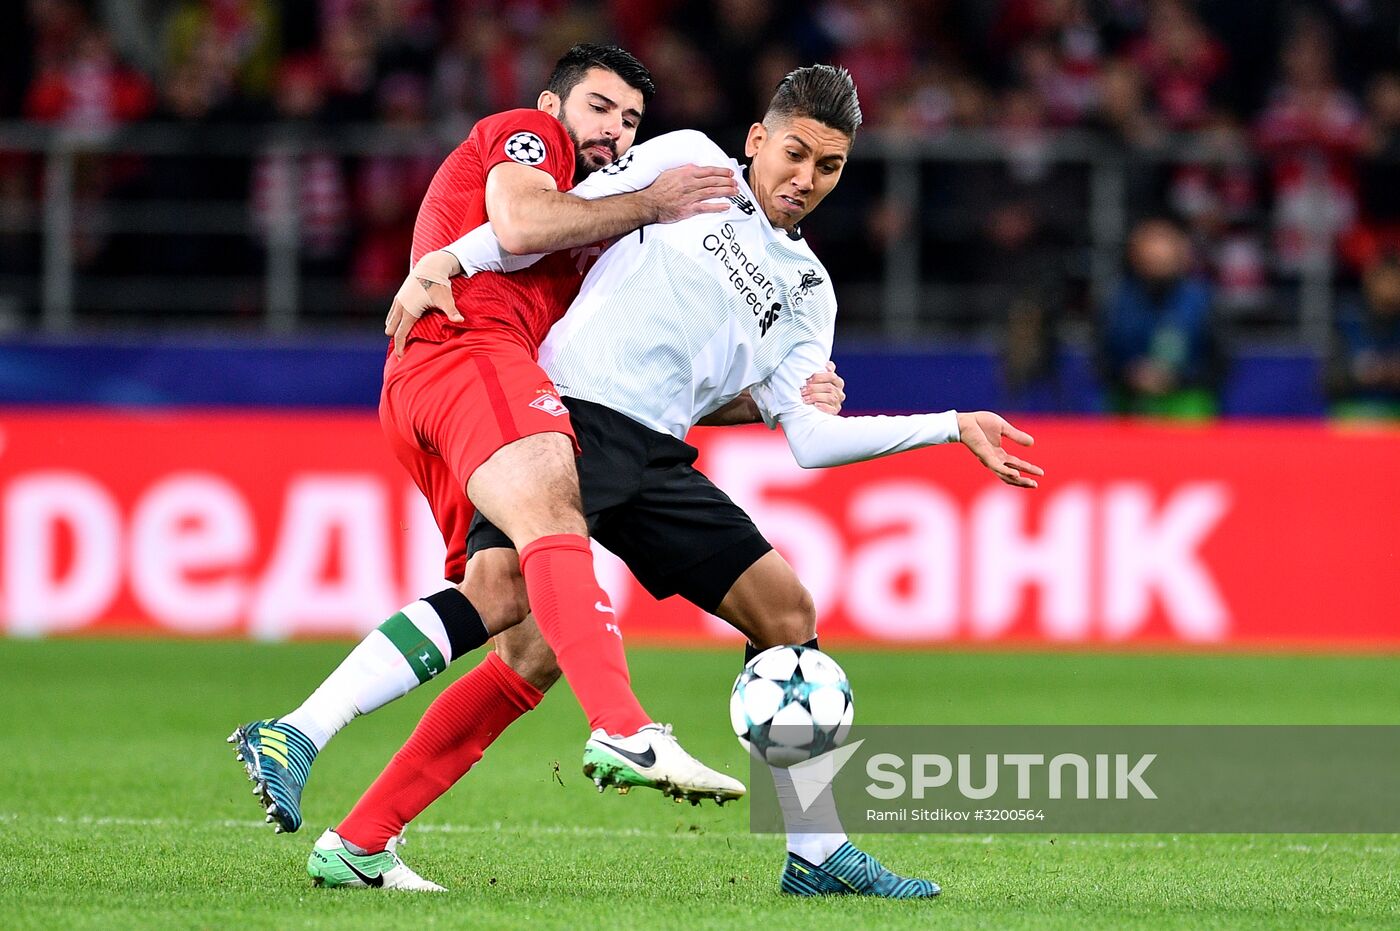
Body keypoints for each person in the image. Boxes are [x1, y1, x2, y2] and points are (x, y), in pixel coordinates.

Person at [308, 65, 1041, 896]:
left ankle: (817, 851)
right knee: (507, 616)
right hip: (564, 414)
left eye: (828, 168)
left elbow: (807, 437)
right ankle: (344, 797)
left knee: (787, 611)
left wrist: (950, 425)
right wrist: (443, 258)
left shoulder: (811, 293)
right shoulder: (689, 160)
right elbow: (554, 224)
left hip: (655, 454)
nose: (804, 179)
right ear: (757, 141)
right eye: (793, 153)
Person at [229, 44, 751, 845]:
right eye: (601, 108)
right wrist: (652, 201)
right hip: (468, 354)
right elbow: (515, 219)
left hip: (443, 379)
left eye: (633, 120)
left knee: (514, 611)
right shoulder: (529, 134)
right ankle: (620, 723)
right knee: (556, 517)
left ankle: (336, 798)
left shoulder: (593, 217)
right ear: (554, 103)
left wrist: (776, 401)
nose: (615, 130)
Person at [1100, 217, 1222, 419]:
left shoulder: (1202, 301)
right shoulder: (1116, 300)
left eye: (1164, 245)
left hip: (1188, 410)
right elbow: (1100, 358)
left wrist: (1177, 379)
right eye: (1150, 246)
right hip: (1127, 408)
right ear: (1135, 253)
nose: (1156, 254)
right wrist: (1129, 375)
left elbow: (1219, 362)